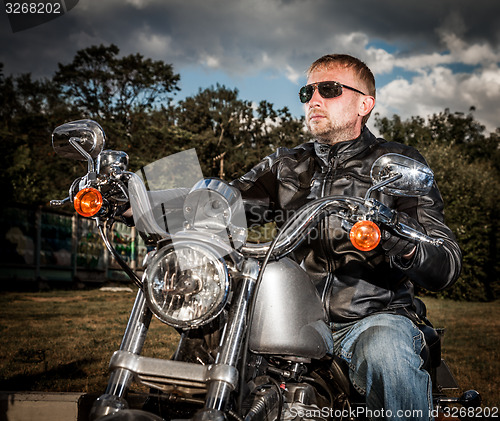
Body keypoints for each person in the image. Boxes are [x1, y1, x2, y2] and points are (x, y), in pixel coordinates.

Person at [231, 54, 462, 420]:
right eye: (307, 92)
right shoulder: (287, 165)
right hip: (290, 317)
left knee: (384, 350)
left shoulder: (398, 164)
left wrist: (401, 243)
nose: (314, 100)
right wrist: (138, 202)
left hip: (373, 317)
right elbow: (224, 202)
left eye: (330, 89)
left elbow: (446, 261)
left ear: (364, 104)